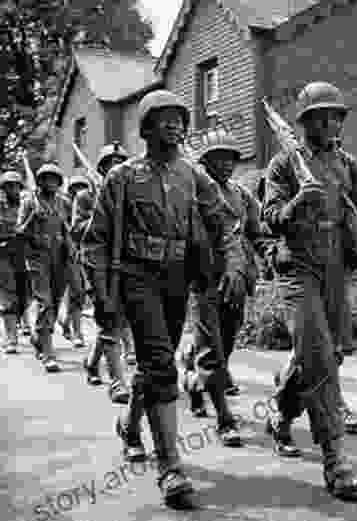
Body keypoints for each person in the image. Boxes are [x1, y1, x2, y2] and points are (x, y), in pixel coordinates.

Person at [81, 89, 247, 509]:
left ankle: (130, 427)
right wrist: (102, 296)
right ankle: (171, 467)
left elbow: (223, 222)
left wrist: (232, 266)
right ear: (146, 127)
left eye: (179, 118)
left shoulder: (194, 176)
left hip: (177, 277)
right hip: (135, 276)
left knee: (158, 364)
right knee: (159, 363)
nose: (173, 124)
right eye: (163, 118)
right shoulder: (121, 177)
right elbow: (97, 241)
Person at [262, 81, 357, 499]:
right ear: (303, 122)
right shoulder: (283, 164)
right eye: (320, 115)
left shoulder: (347, 165)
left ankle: (281, 416)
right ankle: (335, 458)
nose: (329, 122)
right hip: (296, 268)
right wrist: (299, 200)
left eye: (336, 115)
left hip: (333, 267)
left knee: (327, 354)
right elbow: (270, 219)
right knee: (318, 354)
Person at [177, 131, 264, 445]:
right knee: (213, 348)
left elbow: (256, 231)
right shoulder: (196, 194)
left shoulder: (242, 195)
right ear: (206, 163)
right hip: (206, 279)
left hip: (237, 279)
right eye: (219, 159)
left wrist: (270, 251)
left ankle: (192, 380)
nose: (226, 164)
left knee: (224, 345)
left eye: (231, 159)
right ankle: (225, 419)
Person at [72, 143, 131, 403]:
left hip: (125, 263)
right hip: (97, 263)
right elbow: (77, 229)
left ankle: (92, 363)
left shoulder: (129, 192)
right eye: (110, 163)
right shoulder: (86, 196)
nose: (115, 167)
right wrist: (102, 215)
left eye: (120, 162)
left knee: (116, 320)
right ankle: (118, 382)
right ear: (102, 167)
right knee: (108, 316)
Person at [16, 163, 73, 373]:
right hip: (37, 258)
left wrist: (71, 249)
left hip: (59, 258)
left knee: (55, 303)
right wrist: (33, 218)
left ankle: (38, 336)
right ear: (40, 181)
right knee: (45, 303)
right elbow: (19, 231)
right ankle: (49, 353)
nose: (51, 183)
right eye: (47, 179)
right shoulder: (29, 202)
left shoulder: (64, 202)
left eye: (55, 179)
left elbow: (68, 229)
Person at [58, 174, 91, 349]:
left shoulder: (90, 204)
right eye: (75, 187)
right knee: (74, 291)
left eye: (82, 187)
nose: (79, 190)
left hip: (85, 253)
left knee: (79, 294)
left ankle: (68, 323)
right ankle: (76, 331)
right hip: (65, 253)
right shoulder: (62, 203)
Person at [0, 171, 29, 354]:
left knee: (23, 295)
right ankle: (11, 338)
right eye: (8, 186)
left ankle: (20, 320)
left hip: (23, 255)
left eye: (15, 186)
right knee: (8, 296)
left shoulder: (28, 206)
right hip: (2, 254)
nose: (12, 189)